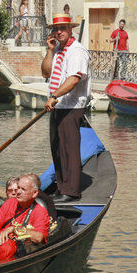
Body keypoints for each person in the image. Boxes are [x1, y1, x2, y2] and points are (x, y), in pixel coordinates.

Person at [41, 13, 91, 203]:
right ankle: (62, 187)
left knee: (68, 148)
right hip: (57, 105)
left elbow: (74, 79)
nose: (59, 31)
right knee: (57, 147)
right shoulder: (58, 50)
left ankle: (71, 191)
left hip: (70, 105)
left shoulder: (77, 51)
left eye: (63, 28)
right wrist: (49, 50)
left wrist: (54, 96)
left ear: (71, 30)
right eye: (56, 29)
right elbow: (45, 71)